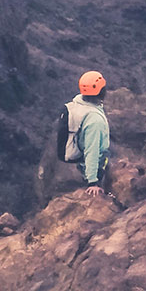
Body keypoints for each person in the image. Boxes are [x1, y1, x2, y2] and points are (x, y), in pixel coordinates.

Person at [37, 71, 113, 203]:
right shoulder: (94, 120)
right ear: (101, 91)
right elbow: (92, 150)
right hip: (92, 165)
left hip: (81, 158)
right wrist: (93, 182)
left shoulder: (78, 104)